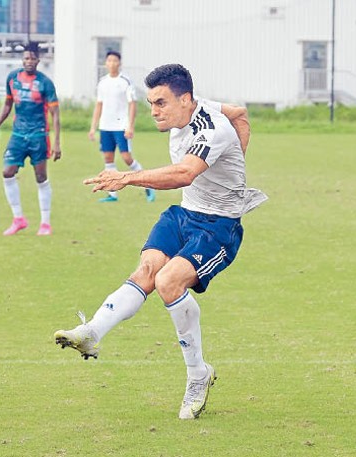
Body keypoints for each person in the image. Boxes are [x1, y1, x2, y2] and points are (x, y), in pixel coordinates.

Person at [54, 64, 267, 420]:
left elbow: (184, 173)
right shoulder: (200, 107)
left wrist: (128, 178)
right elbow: (241, 113)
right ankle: (92, 332)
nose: (154, 111)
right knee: (148, 270)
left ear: (185, 99)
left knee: (169, 281)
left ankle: (198, 375)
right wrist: (238, 161)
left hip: (218, 227)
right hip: (184, 214)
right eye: (151, 102)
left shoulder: (210, 128)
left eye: (161, 103)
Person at [0, 42, 61, 236]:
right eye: (26, 58)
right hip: (18, 135)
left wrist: (56, 142)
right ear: (22, 60)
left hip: (39, 135)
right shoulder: (13, 78)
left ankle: (45, 223)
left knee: (41, 177)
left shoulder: (45, 82)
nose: (29, 61)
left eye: (32, 58)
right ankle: (18, 219)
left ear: (38, 60)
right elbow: (7, 105)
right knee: (7, 172)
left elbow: (55, 113)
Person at [89, 51, 155, 203]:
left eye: (114, 60)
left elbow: (133, 104)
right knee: (108, 158)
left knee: (126, 158)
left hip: (121, 126)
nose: (111, 63)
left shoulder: (125, 81)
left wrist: (130, 126)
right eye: (109, 60)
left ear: (119, 63)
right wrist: (93, 127)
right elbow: (99, 105)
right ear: (105, 63)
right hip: (105, 126)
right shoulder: (102, 82)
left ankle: (148, 185)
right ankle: (112, 194)